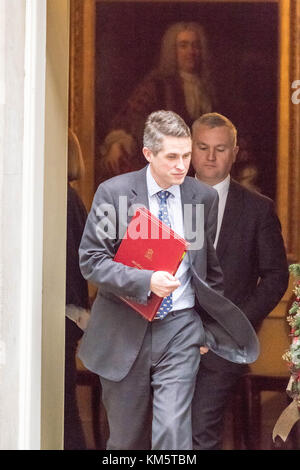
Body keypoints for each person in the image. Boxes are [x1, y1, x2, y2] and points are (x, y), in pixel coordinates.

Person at [78, 110, 259, 450]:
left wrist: (208, 327)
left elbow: (210, 273)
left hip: (181, 329)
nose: (182, 165)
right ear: (148, 154)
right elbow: (91, 261)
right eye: (172, 156)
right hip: (124, 329)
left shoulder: (201, 197)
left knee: (173, 434)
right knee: (127, 440)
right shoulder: (114, 194)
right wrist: (146, 281)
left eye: (186, 155)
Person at [191, 112, 289, 450]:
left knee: (200, 430)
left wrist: (235, 323)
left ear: (234, 152)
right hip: (164, 340)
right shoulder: (162, 202)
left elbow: (276, 277)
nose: (210, 157)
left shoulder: (257, 209)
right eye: (203, 147)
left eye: (220, 149)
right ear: (190, 149)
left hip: (224, 343)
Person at [98, 22, 215, 180]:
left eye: (195, 46)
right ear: (172, 51)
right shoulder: (157, 85)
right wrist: (118, 142)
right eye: (183, 46)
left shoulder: (210, 89)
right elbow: (129, 119)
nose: (191, 52)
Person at [64, 128, 90, 450]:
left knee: (63, 408)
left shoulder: (63, 197)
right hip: (71, 313)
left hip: (62, 313)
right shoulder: (71, 197)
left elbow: (72, 263)